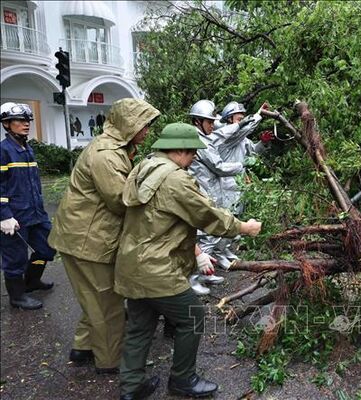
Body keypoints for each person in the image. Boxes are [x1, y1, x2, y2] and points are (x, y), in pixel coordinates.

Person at [115, 123, 261, 400]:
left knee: (140, 325)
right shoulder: (174, 178)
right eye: (192, 152)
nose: (194, 158)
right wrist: (244, 227)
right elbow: (206, 214)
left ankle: (131, 387)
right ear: (179, 149)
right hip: (157, 268)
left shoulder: (143, 168)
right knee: (192, 315)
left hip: (131, 264)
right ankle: (183, 379)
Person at [48, 98, 160, 374]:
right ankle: (112, 362)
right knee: (107, 303)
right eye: (143, 125)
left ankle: (83, 347)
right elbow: (121, 200)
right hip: (87, 241)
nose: (147, 131)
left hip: (81, 237)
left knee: (94, 299)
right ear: (128, 124)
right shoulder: (106, 155)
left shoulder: (115, 148)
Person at [0, 102, 55, 310]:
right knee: (15, 258)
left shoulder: (27, 149)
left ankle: (31, 281)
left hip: (36, 214)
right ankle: (17, 297)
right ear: (6, 124)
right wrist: (3, 215)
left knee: (48, 246)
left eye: (27, 120)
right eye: (20, 121)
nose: (26, 124)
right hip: (14, 217)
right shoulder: (3, 151)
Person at [188, 99, 243, 293]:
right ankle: (195, 278)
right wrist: (242, 165)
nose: (213, 125)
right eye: (209, 122)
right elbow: (218, 167)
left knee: (208, 236)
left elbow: (222, 133)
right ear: (197, 122)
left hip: (208, 190)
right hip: (203, 192)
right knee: (205, 237)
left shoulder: (203, 137)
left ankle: (205, 274)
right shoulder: (198, 140)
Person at [212, 101, 274, 265]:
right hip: (226, 185)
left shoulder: (242, 139)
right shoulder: (228, 137)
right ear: (230, 119)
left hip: (239, 184)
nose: (242, 121)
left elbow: (252, 152)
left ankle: (225, 250)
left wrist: (263, 143)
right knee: (228, 220)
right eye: (239, 118)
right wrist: (259, 115)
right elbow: (243, 130)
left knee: (237, 219)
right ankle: (217, 253)